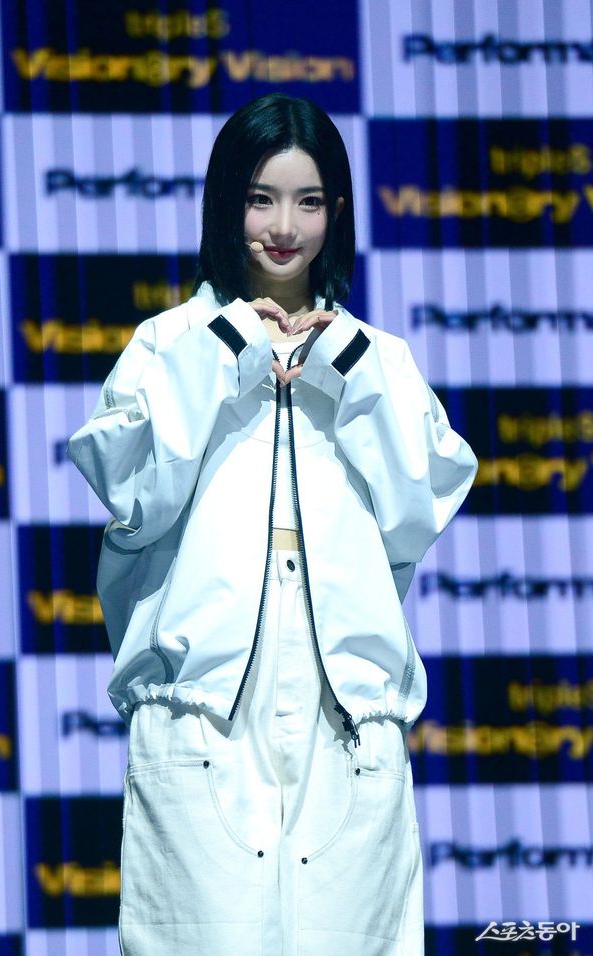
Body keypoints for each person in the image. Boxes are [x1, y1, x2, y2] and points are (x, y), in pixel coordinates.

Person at [67, 93, 477, 956]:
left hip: (347, 718)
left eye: (309, 200)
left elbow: (418, 511)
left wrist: (347, 377)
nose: (284, 227)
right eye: (261, 199)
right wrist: (228, 352)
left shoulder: (377, 359)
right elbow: (133, 494)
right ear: (227, 204)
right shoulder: (170, 342)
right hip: (203, 713)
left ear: (338, 210)